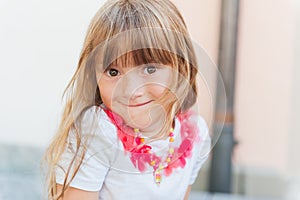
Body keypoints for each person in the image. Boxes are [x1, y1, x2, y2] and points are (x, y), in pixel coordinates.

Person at [44, 0, 211, 199]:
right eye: (113, 72)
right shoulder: (100, 131)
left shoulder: (194, 133)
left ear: (180, 68)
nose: (131, 90)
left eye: (150, 69)